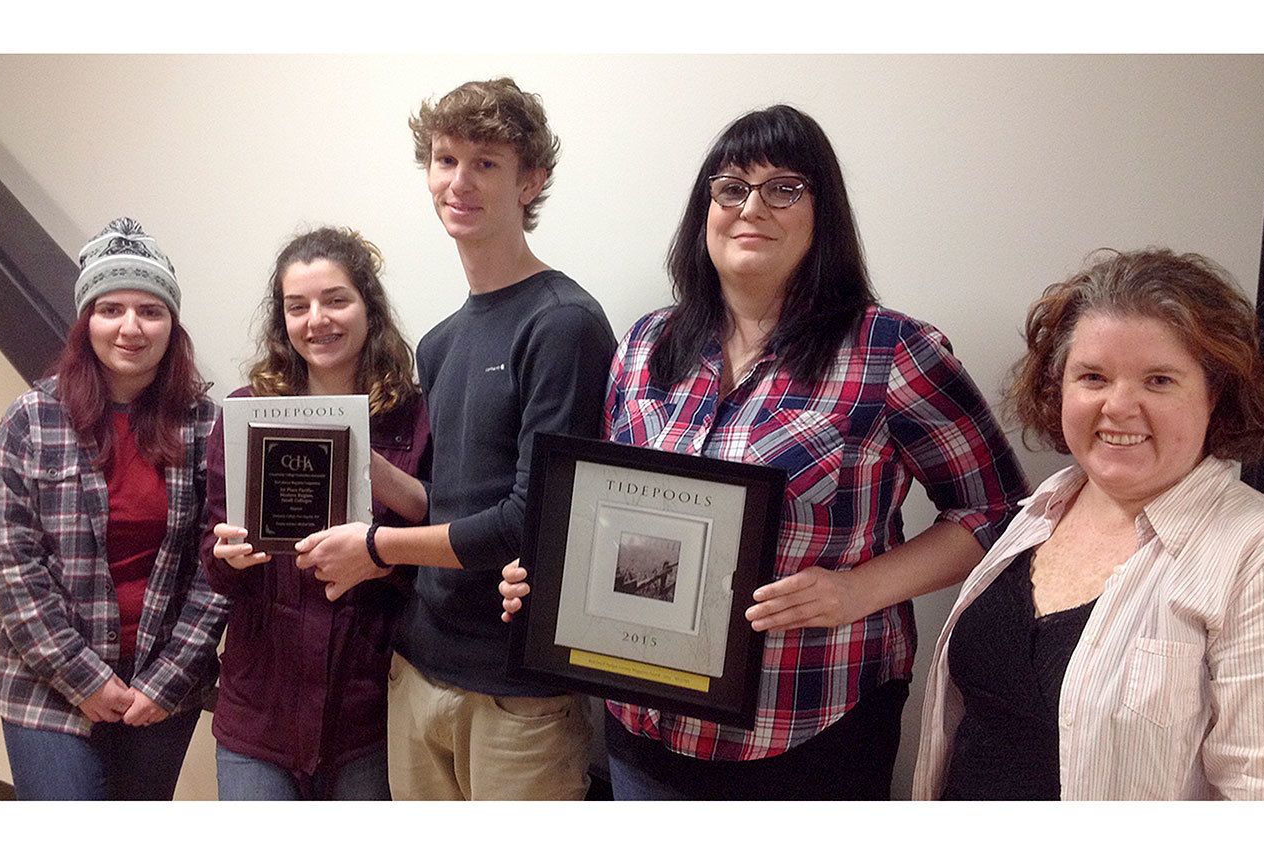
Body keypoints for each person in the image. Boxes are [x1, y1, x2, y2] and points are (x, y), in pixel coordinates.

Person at [500, 105, 1028, 799]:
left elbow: (996, 511)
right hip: (642, 727)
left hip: (807, 731)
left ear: (822, 213)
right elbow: (610, 509)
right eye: (731, 188)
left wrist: (855, 591)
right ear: (705, 210)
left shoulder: (891, 352)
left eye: (784, 189)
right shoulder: (643, 348)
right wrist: (551, 577)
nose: (752, 207)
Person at [295, 78, 616, 800]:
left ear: (531, 180)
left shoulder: (563, 324)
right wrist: (360, 461)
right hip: (417, 670)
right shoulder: (440, 341)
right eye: (444, 160)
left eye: (486, 163)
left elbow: (530, 520)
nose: (458, 182)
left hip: (515, 691)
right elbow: (448, 506)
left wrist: (375, 550)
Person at [913, 248, 1264, 800]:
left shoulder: (1258, 553)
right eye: (1093, 377)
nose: (1118, 406)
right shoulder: (1042, 509)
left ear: (1215, 394)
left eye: (1158, 380)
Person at [0, 217, 227, 800]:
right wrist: (84, 679)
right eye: (110, 308)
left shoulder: (203, 424)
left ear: (173, 324)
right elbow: (14, 568)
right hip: (46, 687)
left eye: (150, 310)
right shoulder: (31, 419)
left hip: (160, 687)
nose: (130, 328)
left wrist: (166, 681)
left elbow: (216, 566)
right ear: (85, 321)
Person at [202, 227, 431, 800]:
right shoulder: (247, 412)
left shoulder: (417, 417)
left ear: (368, 307)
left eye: (335, 300)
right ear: (282, 320)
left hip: (368, 715)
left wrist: (385, 563)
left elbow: (441, 550)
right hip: (260, 719)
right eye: (297, 306)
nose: (316, 320)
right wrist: (228, 554)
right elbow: (213, 562)